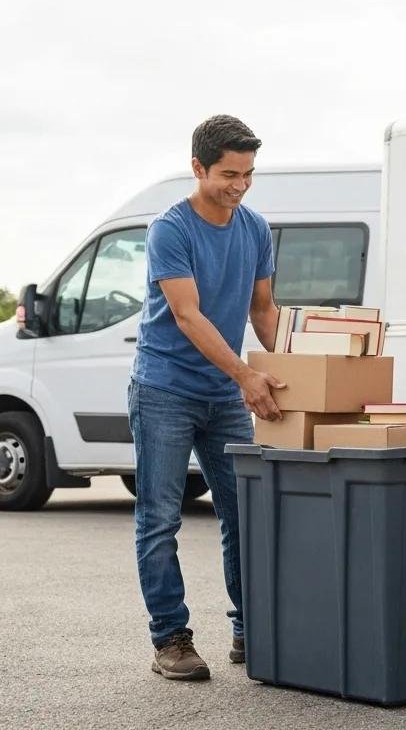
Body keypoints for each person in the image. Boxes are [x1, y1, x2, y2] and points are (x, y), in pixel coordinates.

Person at [130, 115, 284, 680]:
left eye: (247, 174)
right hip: (164, 389)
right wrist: (246, 376)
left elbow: (263, 310)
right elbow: (187, 314)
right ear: (198, 168)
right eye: (228, 174)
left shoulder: (255, 228)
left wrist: (300, 373)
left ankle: (251, 627)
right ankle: (170, 638)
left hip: (224, 394)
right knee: (160, 517)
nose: (239, 185)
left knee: (244, 513)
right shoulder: (170, 229)